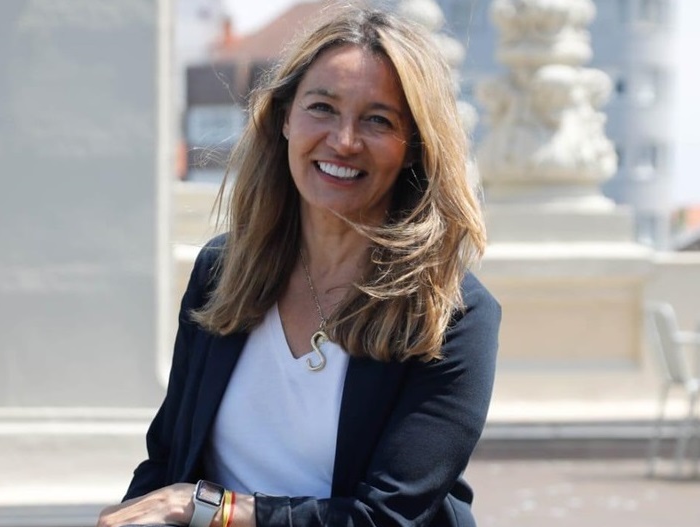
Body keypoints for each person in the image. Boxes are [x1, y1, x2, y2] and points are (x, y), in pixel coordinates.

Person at [98, 5, 500, 527]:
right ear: (285, 117)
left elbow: (385, 517)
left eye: (378, 120)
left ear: (413, 148)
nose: (344, 140)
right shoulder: (220, 273)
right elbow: (167, 463)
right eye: (322, 108)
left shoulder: (451, 312)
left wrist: (213, 509)